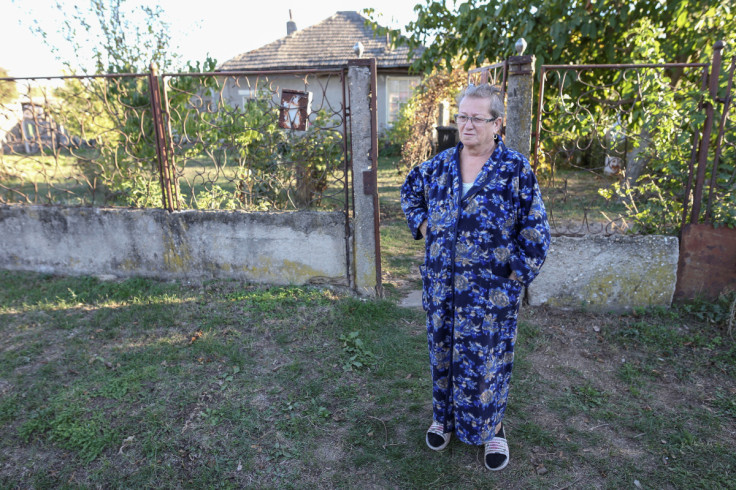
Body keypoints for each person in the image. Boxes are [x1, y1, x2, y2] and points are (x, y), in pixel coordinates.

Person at [400, 84, 550, 471]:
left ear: (497, 124)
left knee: (487, 361)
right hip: (441, 287)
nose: (466, 125)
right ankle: (445, 417)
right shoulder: (439, 165)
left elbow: (537, 230)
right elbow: (409, 190)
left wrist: (515, 275)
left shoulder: (515, 169)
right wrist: (424, 225)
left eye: (476, 118)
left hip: (490, 294)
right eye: (462, 117)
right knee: (443, 353)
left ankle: (492, 428)